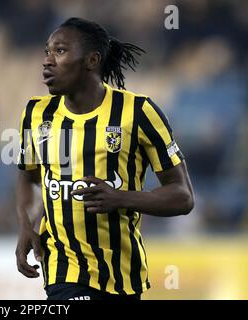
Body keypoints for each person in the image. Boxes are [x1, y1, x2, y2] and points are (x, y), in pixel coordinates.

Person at [15, 17, 194, 300]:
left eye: (59, 51)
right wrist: (27, 224)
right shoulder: (36, 114)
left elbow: (183, 196)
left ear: (91, 60)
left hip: (124, 276)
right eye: (47, 52)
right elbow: (29, 176)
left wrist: (120, 198)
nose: (47, 61)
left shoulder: (138, 112)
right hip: (64, 270)